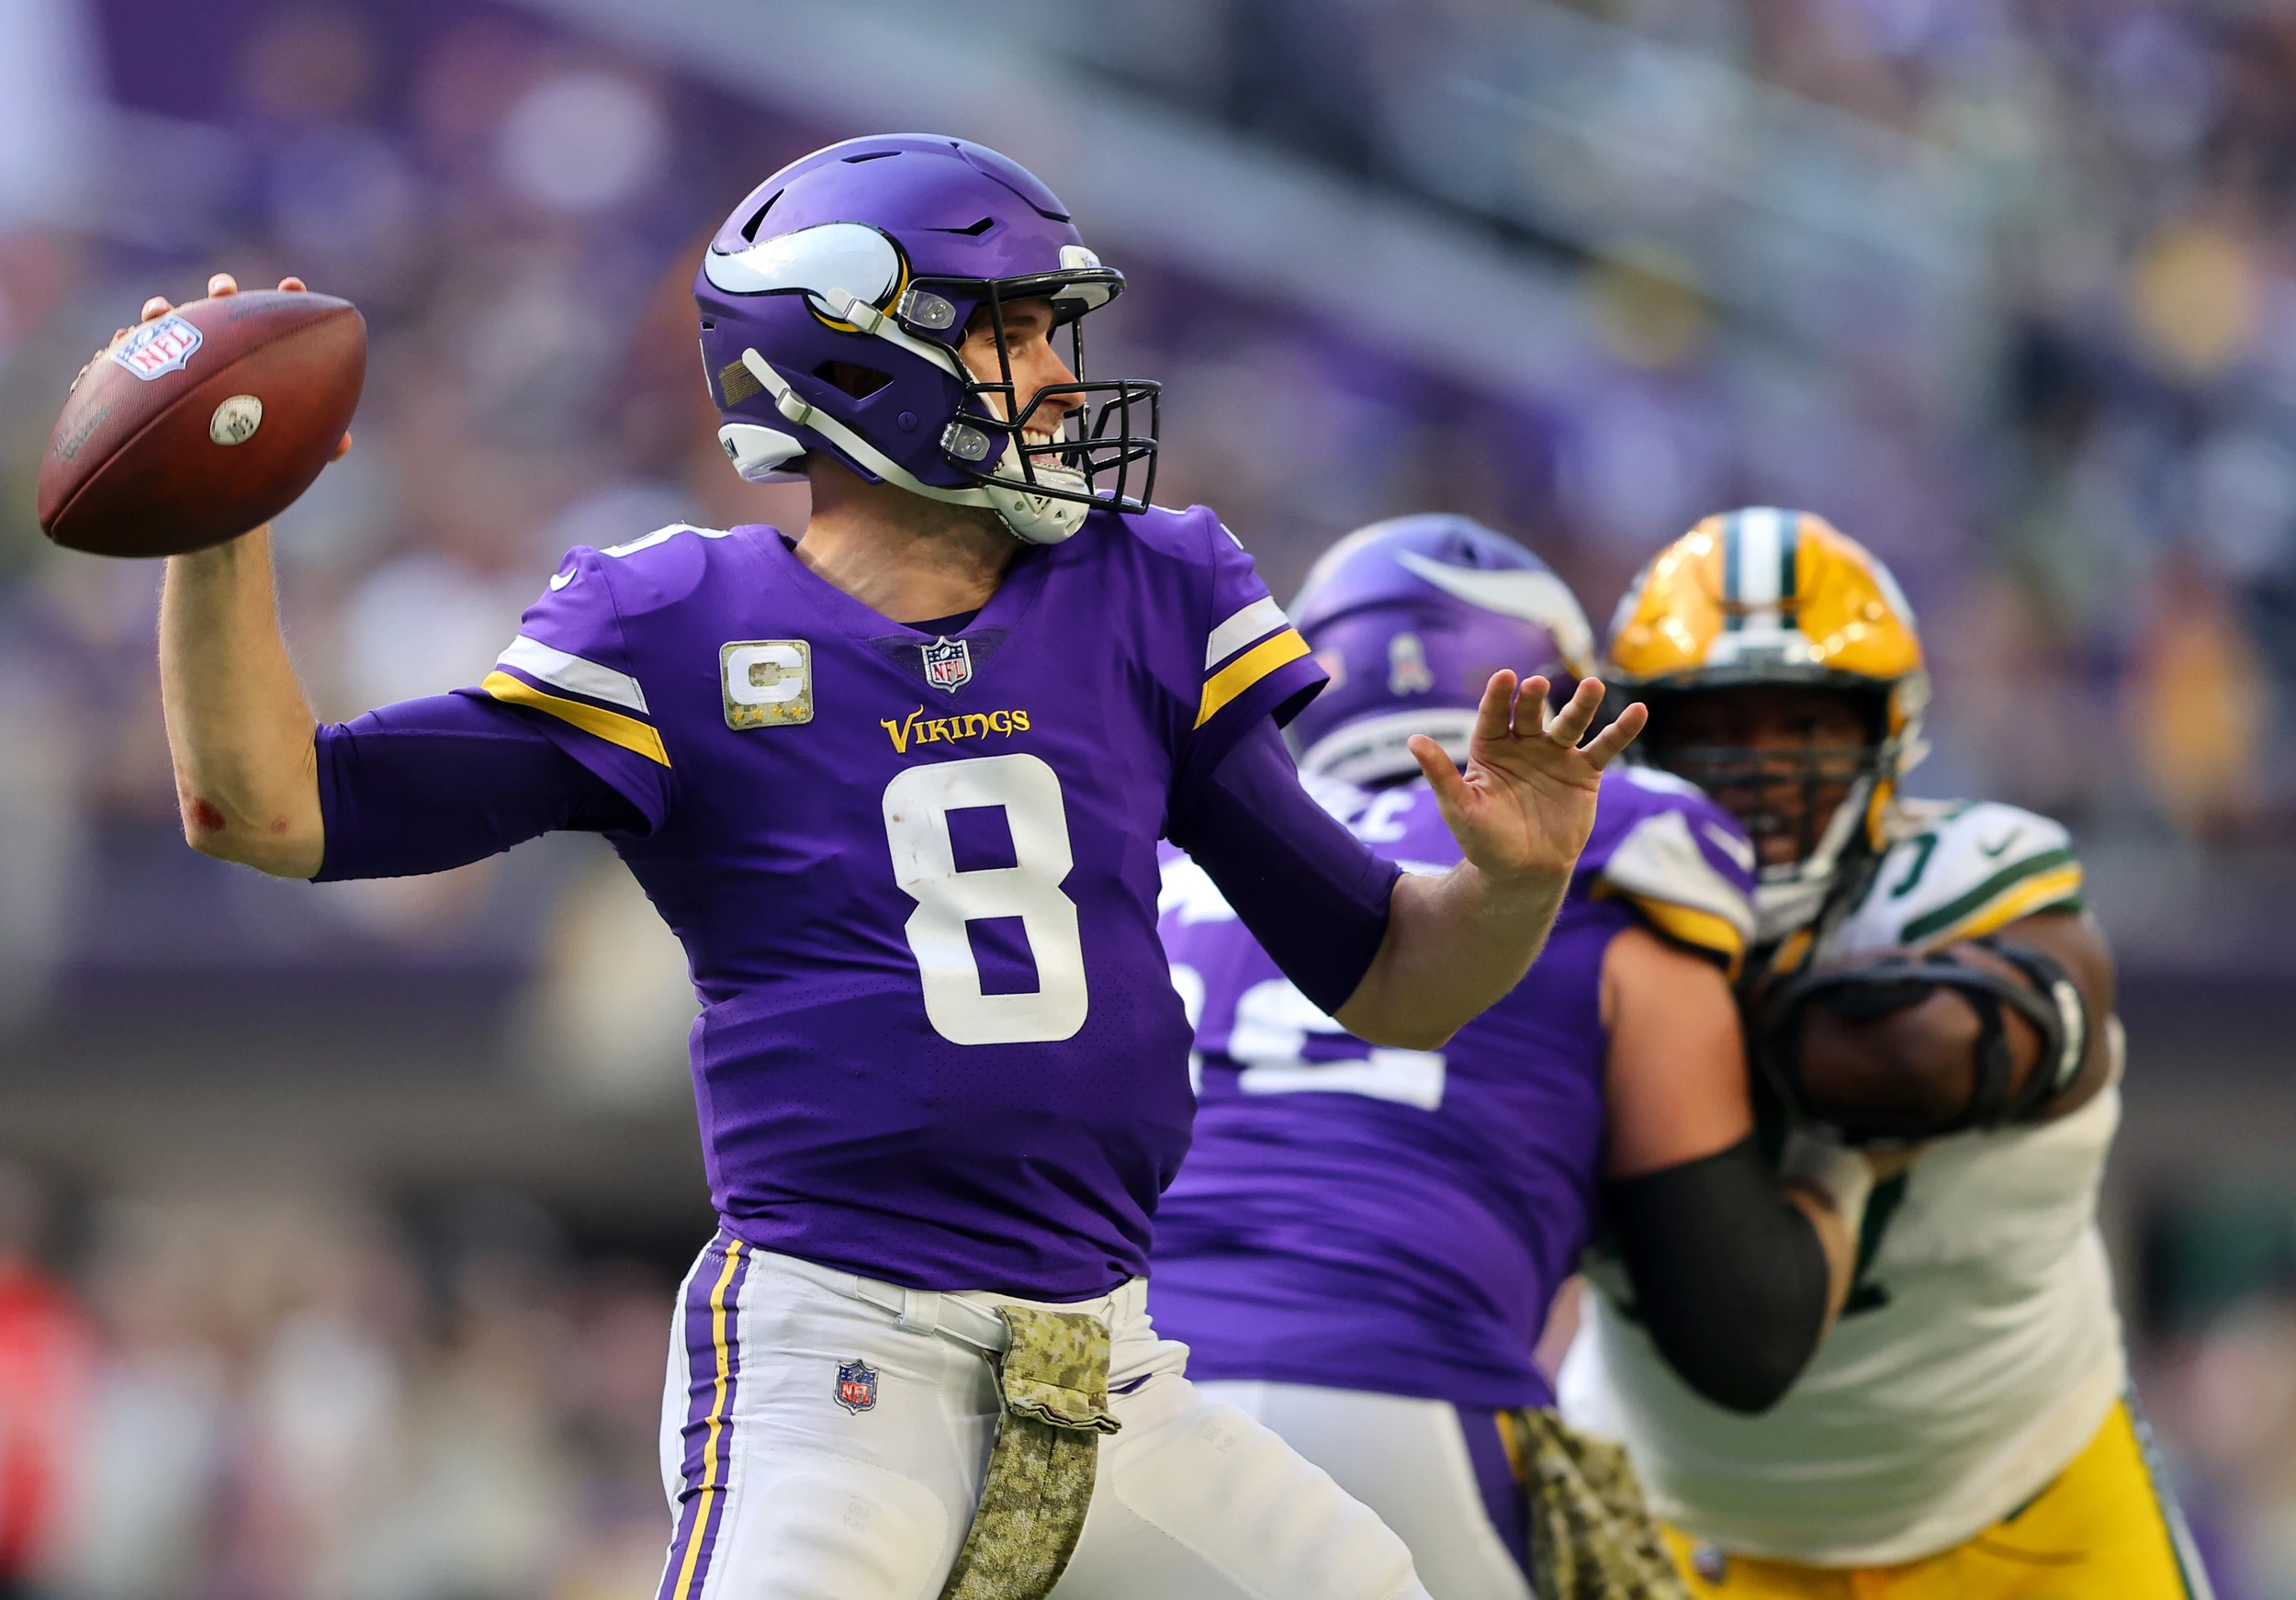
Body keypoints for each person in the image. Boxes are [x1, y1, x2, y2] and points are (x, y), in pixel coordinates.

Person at [138, 135, 1649, 1600]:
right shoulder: (678, 626)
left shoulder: (1149, 591)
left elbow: (1391, 977)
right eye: (1012, 333)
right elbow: (275, 805)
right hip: (840, 1362)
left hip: (1115, 1364)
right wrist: (219, 534)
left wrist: (1512, 884)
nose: (1060, 378)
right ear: (855, 357)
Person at [1151, 514, 1889, 1600]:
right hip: (1400, 1404)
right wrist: (1852, 1158)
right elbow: (1738, 1330)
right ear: (1557, 686)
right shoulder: (1621, 850)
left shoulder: (1177, 855)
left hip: (1121, 1402)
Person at [1558, 508, 2213, 1598]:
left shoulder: (1964, 872)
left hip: (2028, 1494)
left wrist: (1703, 1015)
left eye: (1802, 724)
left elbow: (1934, 1057)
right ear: (1642, 732)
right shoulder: (1578, 909)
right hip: (1685, 1519)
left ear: (1886, 731)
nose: (1758, 770)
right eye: (1721, 725)